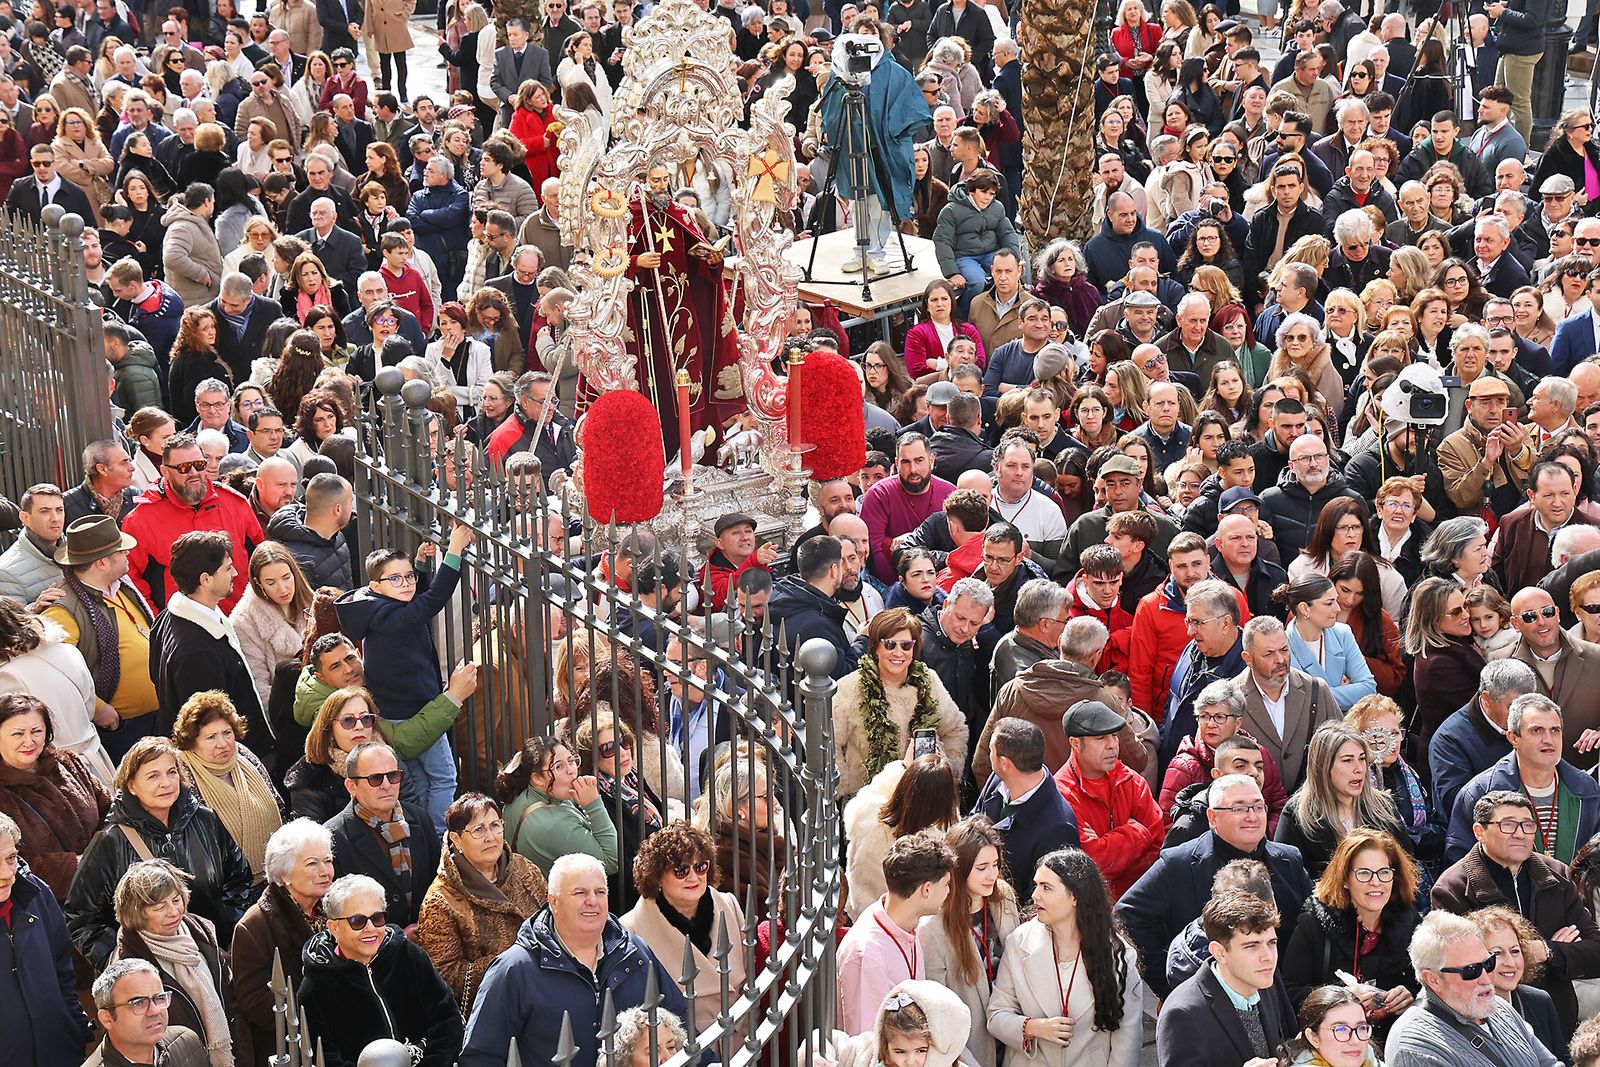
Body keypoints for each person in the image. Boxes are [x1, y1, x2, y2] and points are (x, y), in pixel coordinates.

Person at [458, 852, 686, 1067]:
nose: (592, 901)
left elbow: (681, 1022)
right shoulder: (514, 970)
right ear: (553, 902)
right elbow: (480, 1055)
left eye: (600, 892)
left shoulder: (635, 952)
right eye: (580, 893)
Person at [1117, 774, 1314, 999]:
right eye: (1239, 809)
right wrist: (1170, 981)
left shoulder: (1289, 859)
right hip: (1209, 1000)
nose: (1252, 816)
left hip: (1281, 996)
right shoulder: (1179, 864)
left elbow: (1311, 922)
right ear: (1212, 817)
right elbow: (1128, 915)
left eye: (1258, 807)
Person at [66, 737, 253, 969]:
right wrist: (128, 963)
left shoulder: (206, 820)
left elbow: (239, 878)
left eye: (172, 772)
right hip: (155, 978)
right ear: (131, 786)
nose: (166, 783)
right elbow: (81, 919)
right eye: (153, 776)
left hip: (215, 958)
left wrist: (223, 927)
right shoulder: (110, 842)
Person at [334, 522, 474, 831]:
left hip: (395, 712)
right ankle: (438, 834)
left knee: (422, 779)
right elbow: (431, 602)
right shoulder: (392, 617)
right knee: (444, 777)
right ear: (376, 584)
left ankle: (421, 828)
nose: (406, 583)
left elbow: (414, 602)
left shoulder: (376, 608)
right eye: (395, 578)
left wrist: (421, 567)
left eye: (408, 576)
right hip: (416, 712)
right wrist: (454, 551)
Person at [1431, 790, 1600, 1034]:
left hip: (1556, 1016)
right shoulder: (1453, 888)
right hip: (1491, 1023)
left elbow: (1595, 951)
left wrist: (1545, 950)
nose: (1520, 834)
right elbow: (1467, 967)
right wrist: (1554, 954)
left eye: (1527, 825)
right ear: (1479, 832)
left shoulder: (1557, 874)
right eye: (1508, 825)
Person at [987, 847, 1144, 1067]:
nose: (1034, 895)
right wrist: (1032, 1027)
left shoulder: (1119, 954)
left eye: (1046, 887)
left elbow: (1127, 1037)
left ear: (1075, 897)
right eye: (1036, 885)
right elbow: (996, 1014)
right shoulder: (1019, 943)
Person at [298, 872, 464, 1066]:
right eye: (357, 921)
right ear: (333, 927)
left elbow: (447, 1019)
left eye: (377, 918)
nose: (370, 928)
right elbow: (326, 1059)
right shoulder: (315, 987)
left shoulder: (409, 955)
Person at [620, 821, 748, 1050]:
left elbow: (751, 978)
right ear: (657, 876)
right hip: (688, 1050)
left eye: (701, 867)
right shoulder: (632, 930)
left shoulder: (728, 905)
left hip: (741, 1041)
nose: (693, 877)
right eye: (681, 870)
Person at [416, 792, 547, 1011]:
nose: (490, 837)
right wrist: (514, 958)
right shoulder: (440, 900)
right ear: (456, 839)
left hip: (546, 984)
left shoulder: (524, 868)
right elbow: (445, 976)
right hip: (493, 1006)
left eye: (495, 825)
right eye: (478, 830)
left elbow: (552, 916)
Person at [107, 858, 239, 1067]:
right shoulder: (127, 965)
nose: (174, 911)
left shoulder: (202, 932)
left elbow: (232, 1002)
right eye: (160, 906)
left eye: (176, 900)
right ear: (137, 912)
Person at [1385, 911, 1560, 1067]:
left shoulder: (1501, 1008)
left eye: (1488, 963)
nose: (1486, 979)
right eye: (1471, 970)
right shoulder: (1415, 1048)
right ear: (1433, 980)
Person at [1445, 693, 1600, 865]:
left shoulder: (1587, 790)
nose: (1548, 740)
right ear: (1513, 738)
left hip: (1571, 891)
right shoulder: (1480, 792)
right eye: (1536, 730)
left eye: (1555, 730)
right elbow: (1460, 864)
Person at [1281, 828, 1422, 1013]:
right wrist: (1340, 999)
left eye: (1384, 872)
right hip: (1334, 1036)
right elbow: (1290, 992)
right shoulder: (1314, 924)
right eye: (1364, 873)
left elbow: (1431, 987)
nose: (1376, 882)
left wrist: (1411, 995)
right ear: (1345, 879)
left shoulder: (1412, 925)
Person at [231, 819, 334, 1067]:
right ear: (284, 873)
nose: (325, 871)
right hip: (294, 1049)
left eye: (328, 860)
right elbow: (254, 1001)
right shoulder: (254, 926)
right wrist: (318, 1012)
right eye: (312, 863)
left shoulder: (337, 908)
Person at [833, 608, 966, 800]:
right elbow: (830, 744)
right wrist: (844, 788)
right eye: (889, 644)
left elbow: (955, 730)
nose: (898, 653)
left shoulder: (929, 681)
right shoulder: (849, 687)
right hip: (869, 806)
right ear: (876, 647)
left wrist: (946, 776)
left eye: (905, 645)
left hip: (923, 801)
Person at [1154, 889, 1297, 1067]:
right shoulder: (1182, 1014)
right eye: (1251, 946)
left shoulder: (1263, 982)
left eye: (1271, 943)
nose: (1267, 956)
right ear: (1219, 953)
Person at [123, 432, 264, 613]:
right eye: (183, 468)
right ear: (165, 472)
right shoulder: (140, 519)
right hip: (183, 626)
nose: (194, 473)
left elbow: (260, 561)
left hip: (241, 620)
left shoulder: (235, 502)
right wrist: (158, 622)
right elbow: (131, 580)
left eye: (199, 465)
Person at [919, 817, 1020, 1067]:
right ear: (960, 868)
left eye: (995, 864)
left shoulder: (1003, 896)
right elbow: (938, 1011)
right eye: (982, 867)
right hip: (972, 1048)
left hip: (1014, 1034)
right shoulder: (933, 929)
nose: (992, 875)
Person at [149, 531, 267, 741]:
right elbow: (210, 728)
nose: (236, 574)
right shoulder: (196, 652)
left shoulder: (167, 617)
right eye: (228, 568)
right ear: (205, 579)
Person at [0, 808, 95, 1066]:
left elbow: (63, 970)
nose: (6, 873)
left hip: (61, 1052)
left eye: (10, 858)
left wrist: (77, 1028)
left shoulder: (37, 893)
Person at [837, 833, 956, 1035]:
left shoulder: (907, 922)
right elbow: (864, 1041)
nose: (949, 892)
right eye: (946, 884)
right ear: (926, 890)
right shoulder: (866, 953)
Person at [0, 692, 110, 900]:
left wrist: (107, 854)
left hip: (108, 884)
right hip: (49, 905)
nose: (29, 741)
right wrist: (75, 866)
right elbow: (12, 860)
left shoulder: (68, 763)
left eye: (36, 731)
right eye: (17, 734)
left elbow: (108, 808)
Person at [1052, 699, 1164, 900]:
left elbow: (1157, 849)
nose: (1112, 745)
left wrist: (1106, 843)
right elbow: (1092, 863)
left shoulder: (1132, 781)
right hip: (1089, 909)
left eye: (1114, 736)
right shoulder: (1062, 793)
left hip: (1137, 901)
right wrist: (1137, 832)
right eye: (1101, 738)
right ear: (1075, 743)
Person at [324, 740, 440, 930]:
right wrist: (397, 937)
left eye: (393, 775)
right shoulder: (334, 836)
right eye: (375, 778)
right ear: (351, 787)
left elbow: (438, 883)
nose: (386, 785)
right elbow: (338, 914)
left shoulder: (419, 818)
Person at [171, 690, 282, 886]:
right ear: (192, 741)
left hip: (274, 874)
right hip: (226, 886)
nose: (223, 744)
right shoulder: (182, 776)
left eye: (227, 733)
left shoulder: (244, 756)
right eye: (211, 737)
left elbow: (278, 803)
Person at [1273, 722, 1409, 878]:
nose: (1359, 768)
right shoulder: (1297, 814)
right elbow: (1287, 879)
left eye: (1362, 758)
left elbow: (1405, 868)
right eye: (1347, 760)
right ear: (1324, 766)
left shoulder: (1383, 806)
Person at [972, 717, 1083, 902]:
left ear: (1005, 763)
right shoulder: (997, 779)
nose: (988, 754)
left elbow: (1043, 900)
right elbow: (972, 824)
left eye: (991, 750)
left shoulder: (1059, 828)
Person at [845, 753, 959, 922]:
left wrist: (903, 767)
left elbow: (875, 789)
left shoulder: (866, 815)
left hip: (862, 917)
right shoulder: (935, 844)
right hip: (900, 929)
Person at [1235, 616, 1340, 790]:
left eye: (1284, 650)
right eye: (1269, 653)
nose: (1280, 660)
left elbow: (1341, 748)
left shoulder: (1317, 690)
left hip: (1311, 809)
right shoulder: (1231, 698)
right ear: (1248, 659)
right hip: (1254, 810)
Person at [497, 735, 619, 879]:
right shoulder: (556, 825)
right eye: (558, 766)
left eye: (571, 761)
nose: (571, 770)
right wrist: (593, 805)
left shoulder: (523, 792)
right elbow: (612, 862)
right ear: (537, 778)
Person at [1469, 906, 1569, 1064]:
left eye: (1515, 951)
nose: (1510, 962)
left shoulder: (1540, 1001)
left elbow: (1563, 1059)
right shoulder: (1467, 1011)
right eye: (1496, 953)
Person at [230, 541, 314, 711]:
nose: (283, 589)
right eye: (271, 582)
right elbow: (259, 686)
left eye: (286, 577)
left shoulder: (311, 601)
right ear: (258, 583)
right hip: (285, 714)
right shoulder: (243, 622)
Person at [85, 957, 211, 1067]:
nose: (154, 1011)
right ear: (107, 1018)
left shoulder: (187, 1042)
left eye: (159, 998)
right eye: (139, 1003)